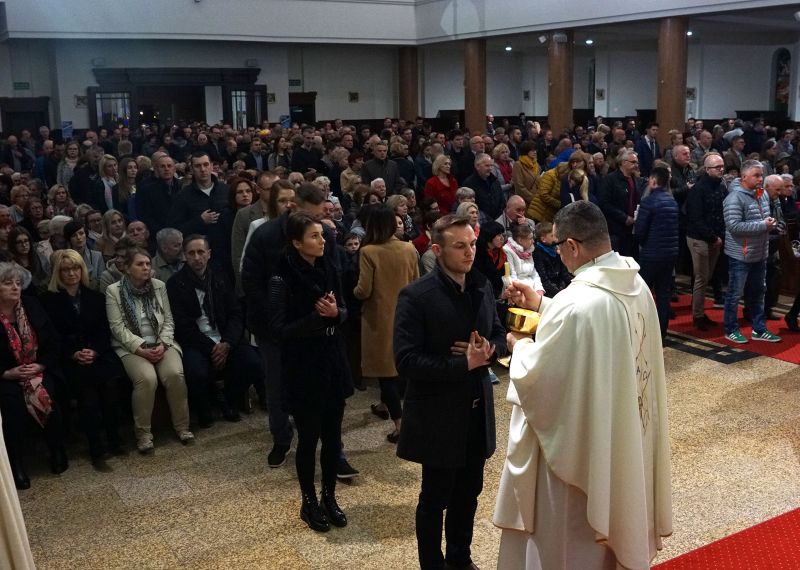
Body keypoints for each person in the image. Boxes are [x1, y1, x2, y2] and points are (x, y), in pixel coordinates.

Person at [494, 200, 672, 570]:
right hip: (622, 432)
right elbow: (596, 328)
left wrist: (518, 345)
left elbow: (541, 378)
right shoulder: (634, 284)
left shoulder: (577, 302)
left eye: (559, 247)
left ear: (572, 245)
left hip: (583, 454)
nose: (558, 255)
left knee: (569, 545)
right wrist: (542, 304)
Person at [394, 214, 507, 570]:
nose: (470, 252)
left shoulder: (481, 285)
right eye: (460, 246)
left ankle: (460, 558)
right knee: (435, 499)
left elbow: (499, 334)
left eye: (472, 244)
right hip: (439, 415)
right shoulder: (416, 296)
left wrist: (490, 349)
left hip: (476, 411)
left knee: (468, 494)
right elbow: (406, 361)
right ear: (437, 250)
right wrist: (463, 364)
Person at [267, 212, 353, 532]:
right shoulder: (281, 278)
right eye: (314, 236)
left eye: (322, 235)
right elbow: (277, 330)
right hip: (303, 365)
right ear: (296, 242)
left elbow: (344, 311)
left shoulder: (329, 267)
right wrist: (316, 320)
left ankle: (329, 496)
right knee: (309, 439)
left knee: (333, 438)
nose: (322, 240)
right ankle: (309, 501)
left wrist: (335, 314)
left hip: (332, 359)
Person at [42, 250, 126, 470]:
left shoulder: (95, 297)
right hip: (69, 357)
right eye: (66, 270)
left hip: (98, 353)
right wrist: (74, 353)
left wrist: (94, 351)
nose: (72, 273)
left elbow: (105, 331)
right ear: (58, 273)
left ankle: (114, 437)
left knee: (110, 386)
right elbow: (52, 337)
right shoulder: (49, 301)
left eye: (75, 268)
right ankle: (95, 447)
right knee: (87, 395)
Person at [167, 235, 262, 426]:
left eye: (201, 252)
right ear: (184, 256)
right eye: (191, 253)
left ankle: (229, 398)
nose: (197, 257)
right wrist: (212, 348)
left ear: (209, 254)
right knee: (195, 371)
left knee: (252, 362)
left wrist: (226, 344)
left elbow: (236, 313)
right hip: (197, 340)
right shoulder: (175, 283)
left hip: (225, 337)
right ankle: (204, 408)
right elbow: (182, 325)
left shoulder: (220, 277)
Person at [105, 247, 194, 453]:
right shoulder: (113, 291)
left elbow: (169, 320)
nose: (146, 268)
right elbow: (117, 327)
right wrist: (140, 348)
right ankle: (143, 434)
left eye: (147, 263)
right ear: (128, 268)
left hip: (162, 342)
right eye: (140, 264)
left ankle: (182, 427)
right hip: (132, 347)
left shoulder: (159, 286)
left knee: (175, 374)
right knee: (146, 379)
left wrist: (163, 343)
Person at [353, 204, 419, 443]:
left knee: (385, 373)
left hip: (379, 318)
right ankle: (385, 406)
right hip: (407, 315)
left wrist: (351, 291)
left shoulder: (368, 251)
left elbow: (363, 290)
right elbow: (417, 281)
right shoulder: (408, 248)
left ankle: (400, 426)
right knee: (401, 367)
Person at [0, 262, 68, 490]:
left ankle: (56, 449)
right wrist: (6, 373)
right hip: (7, 375)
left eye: (18, 283)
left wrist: (40, 364)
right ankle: (16, 464)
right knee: (12, 406)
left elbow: (54, 342)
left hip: (38, 368)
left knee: (46, 393)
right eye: (7, 283)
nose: (15, 287)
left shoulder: (31, 305)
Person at [722, 160, 781, 344]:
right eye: (756, 175)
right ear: (744, 176)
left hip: (760, 252)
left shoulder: (762, 194)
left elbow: (763, 219)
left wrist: (770, 223)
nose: (760, 179)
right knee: (734, 294)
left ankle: (759, 329)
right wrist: (763, 225)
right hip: (741, 254)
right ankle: (731, 329)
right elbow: (734, 226)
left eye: (761, 175)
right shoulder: (734, 198)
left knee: (758, 293)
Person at [634, 166, 679, 339]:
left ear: (653, 180)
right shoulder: (671, 201)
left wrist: (642, 243)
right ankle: (662, 333)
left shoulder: (649, 201)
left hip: (651, 253)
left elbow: (640, 230)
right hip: (670, 253)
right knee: (663, 294)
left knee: (642, 292)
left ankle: (642, 331)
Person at [686, 153, 727, 330]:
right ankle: (697, 316)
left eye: (722, 166)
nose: (721, 169)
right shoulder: (698, 189)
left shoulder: (721, 187)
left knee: (707, 276)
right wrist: (713, 237)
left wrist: (720, 236)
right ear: (707, 169)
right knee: (702, 278)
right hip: (699, 238)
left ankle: (700, 311)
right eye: (717, 167)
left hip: (715, 238)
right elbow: (696, 218)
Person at [63, 221, 104, 290]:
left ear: (86, 234)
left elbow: (101, 281)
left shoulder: (97, 256)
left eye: (81, 233)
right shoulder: (63, 258)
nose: (79, 237)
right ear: (69, 239)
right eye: (74, 235)